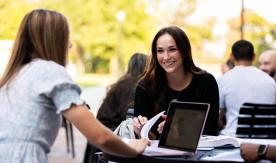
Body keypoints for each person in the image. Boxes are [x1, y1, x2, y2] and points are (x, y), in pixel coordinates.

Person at [0, 9, 149, 163]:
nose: (70, 45)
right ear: (54, 40)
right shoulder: (50, 73)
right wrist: (133, 149)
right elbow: (100, 137)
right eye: (66, 38)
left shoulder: (14, 75)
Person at [133, 26, 219, 139]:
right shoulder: (145, 86)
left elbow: (211, 130)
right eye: (160, 51)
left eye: (172, 49)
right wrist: (141, 131)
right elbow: (148, 138)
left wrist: (181, 129)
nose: (166, 57)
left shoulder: (206, 82)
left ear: (184, 51)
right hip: (157, 154)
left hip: (198, 154)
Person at [83, 53, 148, 163]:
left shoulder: (121, 82)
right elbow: (128, 115)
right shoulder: (134, 86)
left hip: (100, 131)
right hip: (110, 134)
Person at [217, 40, 276, 136]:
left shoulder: (223, 80)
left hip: (235, 139)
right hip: (265, 139)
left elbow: (218, 117)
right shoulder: (270, 81)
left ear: (232, 57)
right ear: (254, 56)